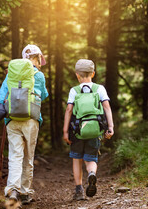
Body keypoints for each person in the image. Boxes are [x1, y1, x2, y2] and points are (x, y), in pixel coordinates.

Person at [0, 44, 48, 205]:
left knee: (15, 155)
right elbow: (44, 95)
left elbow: (0, 98)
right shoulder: (38, 75)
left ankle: (12, 190)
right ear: (35, 58)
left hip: (12, 119)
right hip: (31, 120)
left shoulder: (10, 74)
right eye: (39, 58)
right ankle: (25, 193)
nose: (40, 62)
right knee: (28, 157)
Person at [62, 59, 114, 201]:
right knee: (91, 158)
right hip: (95, 130)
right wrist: (110, 127)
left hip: (77, 131)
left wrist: (65, 131)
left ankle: (79, 190)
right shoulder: (100, 89)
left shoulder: (74, 90)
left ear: (77, 75)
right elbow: (107, 107)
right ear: (93, 73)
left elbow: (69, 110)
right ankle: (91, 173)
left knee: (77, 158)